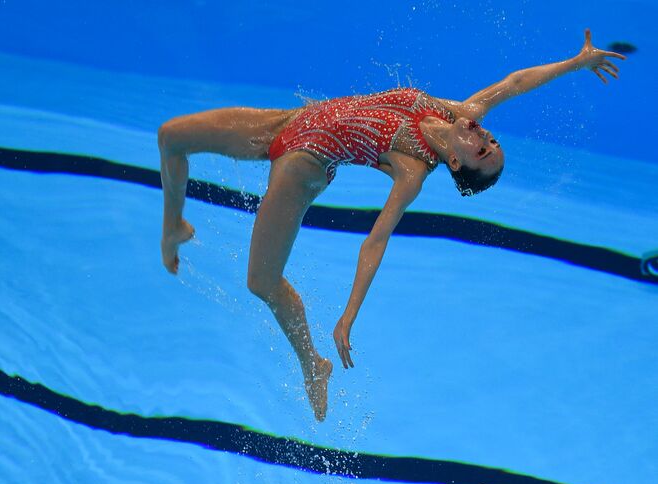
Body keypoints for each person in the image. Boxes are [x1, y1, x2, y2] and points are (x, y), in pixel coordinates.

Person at [157, 30, 625, 416]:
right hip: (288, 122)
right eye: (490, 140)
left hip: (301, 164)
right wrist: (577, 62)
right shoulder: (458, 112)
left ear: (458, 166)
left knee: (261, 282)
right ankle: (174, 225)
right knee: (171, 137)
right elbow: (516, 82)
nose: (483, 134)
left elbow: (375, 242)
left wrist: (348, 315)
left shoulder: (412, 169)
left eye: (481, 150)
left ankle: (312, 364)